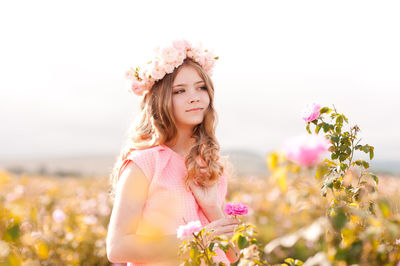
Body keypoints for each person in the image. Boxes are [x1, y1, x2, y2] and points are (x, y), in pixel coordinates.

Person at [106, 40, 240, 265]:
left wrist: (211, 207)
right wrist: (199, 241)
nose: (194, 97)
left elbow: (232, 254)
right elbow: (117, 247)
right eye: (179, 91)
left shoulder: (210, 163)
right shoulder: (144, 163)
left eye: (201, 87)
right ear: (161, 99)